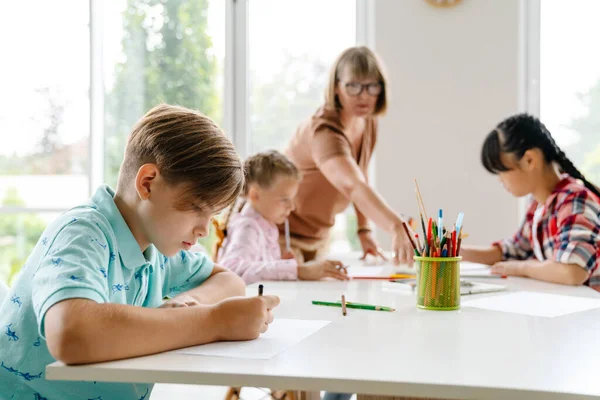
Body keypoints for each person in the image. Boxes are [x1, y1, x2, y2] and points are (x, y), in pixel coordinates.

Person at [0, 104, 280, 399]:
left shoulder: (155, 245)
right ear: (148, 183)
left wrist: (187, 305)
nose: (204, 230)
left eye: (212, 216)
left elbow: (229, 281)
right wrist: (215, 322)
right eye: (198, 208)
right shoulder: (83, 234)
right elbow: (71, 336)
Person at [282, 46, 414, 266]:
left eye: (372, 86)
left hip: (317, 236)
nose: (364, 96)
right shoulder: (324, 131)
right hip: (278, 235)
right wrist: (396, 225)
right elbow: (351, 185)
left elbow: (359, 174)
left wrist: (364, 230)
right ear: (336, 88)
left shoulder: (366, 120)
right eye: (353, 86)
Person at [461, 113, 600, 288]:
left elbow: (572, 271)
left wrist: (522, 268)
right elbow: (514, 251)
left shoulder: (575, 200)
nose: (500, 180)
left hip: (589, 310)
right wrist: (456, 253)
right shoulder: (537, 205)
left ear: (529, 160)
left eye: (501, 171)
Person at [217, 150, 348, 284]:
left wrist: (280, 263)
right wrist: (297, 270)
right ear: (255, 195)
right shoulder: (247, 227)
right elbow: (233, 271)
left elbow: (257, 268)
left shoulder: (266, 225)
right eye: (284, 199)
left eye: (292, 199)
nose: (292, 207)